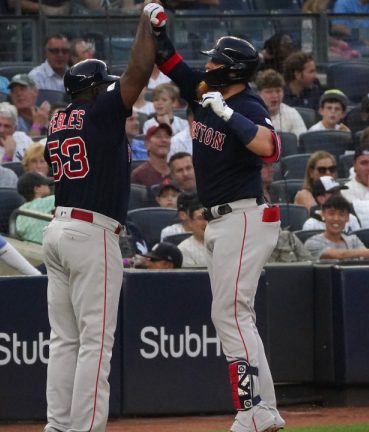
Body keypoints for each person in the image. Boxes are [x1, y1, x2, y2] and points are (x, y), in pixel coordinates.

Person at [154, 12, 285, 428]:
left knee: (230, 313)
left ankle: (250, 410)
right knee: (236, 314)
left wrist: (229, 115)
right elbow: (168, 60)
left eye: (214, 62)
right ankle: (263, 409)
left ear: (230, 69)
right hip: (222, 220)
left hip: (244, 214)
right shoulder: (204, 90)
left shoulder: (246, 104)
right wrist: (154, 25)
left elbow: (271, 148)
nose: (206, 65)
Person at [41, 2, 157, 429]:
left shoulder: (60, 118)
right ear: (93, 90)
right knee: (94, 344)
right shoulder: (99, 110)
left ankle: (57, 425)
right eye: (104, 86)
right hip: (90, 234)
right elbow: (138, 73)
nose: (114, 90)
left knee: (64, 341)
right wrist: (147, 23)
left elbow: (126, 83)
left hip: (59, 229)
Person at [304, 194, 369, 260]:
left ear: (347, 218)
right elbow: (340, 254)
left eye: (341, 214)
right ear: (323, 214)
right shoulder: (313, 242)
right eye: (331, 213)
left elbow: (368, 257)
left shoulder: (353, 240)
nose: (336, 218)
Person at [255, 68, 306, 136]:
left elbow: (302, 143)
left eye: (278, 91)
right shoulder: (251, 114)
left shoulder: (292, 113)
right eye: (269, 92)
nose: (275, 96)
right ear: (258, 94)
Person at [15, 171, 55, 245]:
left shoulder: (20, 210)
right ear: (36, 189)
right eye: (45, 183)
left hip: (28, 251)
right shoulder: (48, 201)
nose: (48, 185)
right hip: (44, 250)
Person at [130, 123, 172, 187]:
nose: (164, 140)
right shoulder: (138, 175)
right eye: (158, 137)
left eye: (167, 137)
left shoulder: (177, 171)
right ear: (147, 144)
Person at [177, 199, 208, 267]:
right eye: (201, 218)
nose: (206, 223)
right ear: (190, 222)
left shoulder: (224, 244)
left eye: (209, 218)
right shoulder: (183, 249)